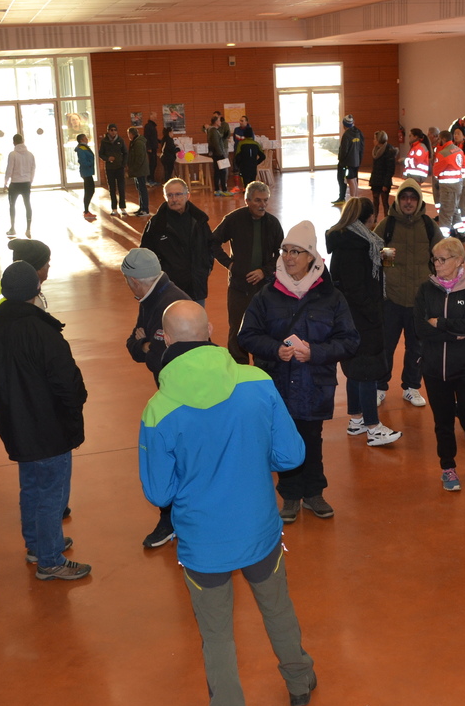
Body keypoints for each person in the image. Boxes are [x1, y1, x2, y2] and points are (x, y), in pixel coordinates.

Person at [139, 301, 314, 706]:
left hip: (203, 545)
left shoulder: (158, 409)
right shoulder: (256, 382)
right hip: (260, 530)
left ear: (166, 339)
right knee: (277, 605)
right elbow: (291, 455)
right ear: (211, 330)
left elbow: (159, 491)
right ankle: (299, 680)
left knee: (217, 637)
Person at [0, 262, 91, 580]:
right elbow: (67, 382)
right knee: (52, 492)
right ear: (35, 290)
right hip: (51, 428)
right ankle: (50, 559)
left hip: (14, 426)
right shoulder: (43, 332)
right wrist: (74, 407)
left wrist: (4, 407)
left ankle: (37, 545)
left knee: (30, 487)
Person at [238, 221, 359, 523]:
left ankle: (314, 493)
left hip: (314, 383)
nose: (289, 257)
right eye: (285, 251)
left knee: (312, 438)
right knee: (283, 439)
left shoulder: (331, 297)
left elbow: (349, 340)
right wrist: (274, 349)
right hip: (277, 383)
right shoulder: (266, 295)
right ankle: (290, 495)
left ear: (311, 257)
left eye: (296, 251)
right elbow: (247, 335)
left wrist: (315, 352)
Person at [414, 236, 465, 491]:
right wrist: (454, 333)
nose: (437, 264)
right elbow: (420, 329)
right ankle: (448, 467)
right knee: (443, 421)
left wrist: (439, 323)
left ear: (459, 260)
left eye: (442, 259)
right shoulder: (425, 290)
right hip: (434, 368)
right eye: (434, 259)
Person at [121, 247, 190, 549]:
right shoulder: (150, 298)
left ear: (134, 281)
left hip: (183, 396)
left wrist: (146, 346)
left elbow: (161, 359)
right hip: (172, 392)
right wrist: (146, 346)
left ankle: (172, 518)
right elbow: (133, 345)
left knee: (172, 457)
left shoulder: (168, 304)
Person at [326, 198, 402, 447]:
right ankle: (372, 426)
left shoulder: (353, 241)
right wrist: (374, 313)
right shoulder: (357, 247)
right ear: (368, 218)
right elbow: (358, 287)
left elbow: (374, 271)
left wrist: (383, 254)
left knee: (355, 370)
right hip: (363, 318)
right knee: (368, 370)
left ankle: (356, 419)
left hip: (348, 317)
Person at [374, 179, 437, 408]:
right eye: (404, 197)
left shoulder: (428, 225)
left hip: (420, 301)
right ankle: (380, 386)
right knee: (385, 346)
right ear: (398, 200)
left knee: (417, 347)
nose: (408, 202)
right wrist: (388, 278)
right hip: (392, 299)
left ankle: (411, 387)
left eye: (412, 198)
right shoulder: (388, 225)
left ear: (419, 201)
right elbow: (378, 257)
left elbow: (440, 255)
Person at [210, 180, 284, 364]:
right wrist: (229, 265)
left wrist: (264, 271)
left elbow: (281, 253)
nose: (262, 205)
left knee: (264, 327)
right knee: (237, 328)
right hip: (239, 286)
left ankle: (262, 365)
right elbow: (212, 242)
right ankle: (239, 367)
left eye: (265, 200)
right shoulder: (234, 220)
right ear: (247, 201)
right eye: (258, 200)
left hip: (265, 286)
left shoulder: (273, 223)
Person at [142, 177, 214, 306]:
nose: (174, 199)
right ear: (165, 197)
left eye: (178, 194)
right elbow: (146, 254)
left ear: (187, 196)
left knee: (197, 318)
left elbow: (210, 247)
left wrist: (205, 269)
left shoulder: (199, 220)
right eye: (170, 195)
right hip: (169, 289)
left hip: (196, 286)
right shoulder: (157, 224)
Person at [3, 133, 36, 237]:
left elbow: (9, 169)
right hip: (26, 183)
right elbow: (33, 168)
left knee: (12, 205)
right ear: (23, 141)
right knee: (27, 204)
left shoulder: (12, 154)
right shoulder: (30, 154)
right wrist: (30, 180)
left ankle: (12, 228)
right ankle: (28, 229)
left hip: (15, 183)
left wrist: (5, 182)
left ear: (14, 142)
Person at [432, 129, 465, 229]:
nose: (438, 141)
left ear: (443, 139)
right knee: (454, 209)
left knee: (445, 213)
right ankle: (461, 232)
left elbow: (435, 171)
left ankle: (444, 235)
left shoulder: (443, 153)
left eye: (439, 139)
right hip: (458, 185)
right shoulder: (459, 150)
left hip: (447, 187)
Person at [100, 122, 130, 215]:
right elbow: (101, 154)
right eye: (111, 130)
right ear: (108, 131)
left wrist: (123, 164)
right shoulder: (104, 141)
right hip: (109, 168)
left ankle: (123, 207)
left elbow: (125, 153)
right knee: (112, 188)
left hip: (119, 167)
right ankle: (114, 208)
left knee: (121, 188)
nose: (113, 132)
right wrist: (107, 158)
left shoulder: (120, 140)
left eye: (115, 130)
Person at [335, 113, 364, 204]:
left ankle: (353, 201)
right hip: (356, 161)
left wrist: (341, 160)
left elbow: (344, 150)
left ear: (344, 125)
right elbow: (361, 147)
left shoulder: (346, 135)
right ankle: (355, 198)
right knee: (354, 179)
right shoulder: (358, 132)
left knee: (350, 180)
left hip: (348, 162)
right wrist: (359, 159)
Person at [370, 130, 397, 216]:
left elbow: (390, 170)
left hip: (384, 181)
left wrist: (385, 184)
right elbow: (375, 168)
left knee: (385, 203)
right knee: (375, 202)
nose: (373, 140)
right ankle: (374, 219)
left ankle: (387, 219)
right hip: (375, 180)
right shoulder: (375, 150)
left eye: (375, 139)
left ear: (379, 140)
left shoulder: (389, 151)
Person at [127, 125, 151, 213]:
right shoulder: (135, 142)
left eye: (128, 134)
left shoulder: (138, 143)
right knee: (140, 189)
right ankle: (141, 208)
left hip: (140, 170)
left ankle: (145, 209)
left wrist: (134, 168)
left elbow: (139, 158)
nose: (128, 136)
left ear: (131, 134)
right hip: (138, 170)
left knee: (142, 189)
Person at [75, 132, 99, 220]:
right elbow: (83, 161)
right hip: (86, 172)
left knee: (90, 190)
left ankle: (86, 210)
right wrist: (90, 163)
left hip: (88, 172)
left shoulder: (84, 147)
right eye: (85, 138)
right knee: (89, 191)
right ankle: (86, 211)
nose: (87, 139)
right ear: (81, 140)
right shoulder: (81, 149)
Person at [207, 116, 229, 193]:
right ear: (216, 122)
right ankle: (223, 189)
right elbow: (216, 143)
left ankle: (217, 189)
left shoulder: (213, 130)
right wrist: (221, 154)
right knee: (222, 172)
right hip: (218, 154)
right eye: (219, 121)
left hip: (216, 153)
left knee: (217, 171)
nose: (220, 122)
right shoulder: (213, 131)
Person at [144, 111, 160, 182]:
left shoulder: (153, 126)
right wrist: (148, 147)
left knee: (154, 163)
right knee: (152, 164)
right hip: (151, 148)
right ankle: (150, 179)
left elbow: (154, 138)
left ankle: (152, 178)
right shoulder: (148, 126)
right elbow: (147, 137)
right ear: (151, 117)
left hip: (154, 147)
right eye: (155, 116)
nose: (156, 118)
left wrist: (161, 141)